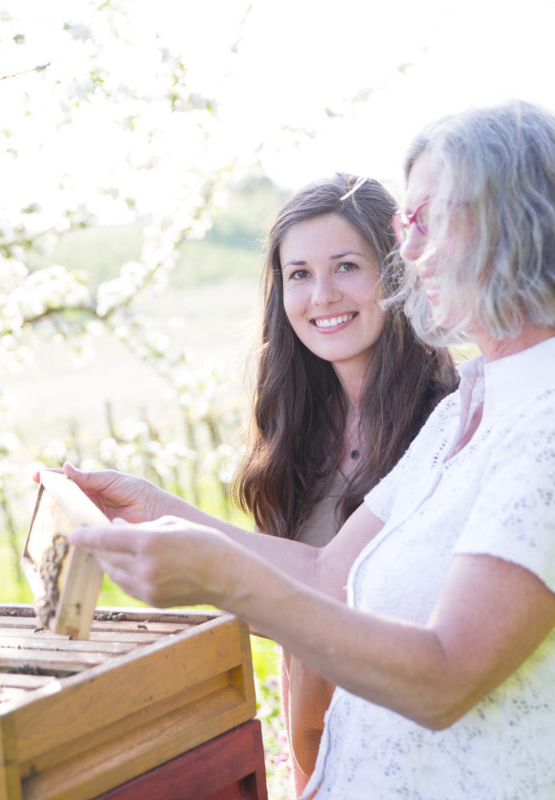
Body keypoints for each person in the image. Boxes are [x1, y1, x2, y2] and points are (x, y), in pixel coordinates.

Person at [65, 99, 555, 798]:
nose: (408, 252)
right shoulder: (472, 400)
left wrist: (220, 579)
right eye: (403, 225)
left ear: (518, 214)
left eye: (428, 219)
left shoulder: (544, 425)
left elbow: (445, 677)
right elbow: (329, 574)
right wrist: (154, 510)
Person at [229, 173, 457, 794]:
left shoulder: (451, 423)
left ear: (396, 273)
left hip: (419, 761)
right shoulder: (289, 432)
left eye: (347, 266)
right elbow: (293, 625)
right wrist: (302, 770)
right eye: (299, 274)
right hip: (320, 759)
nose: (321, 295)